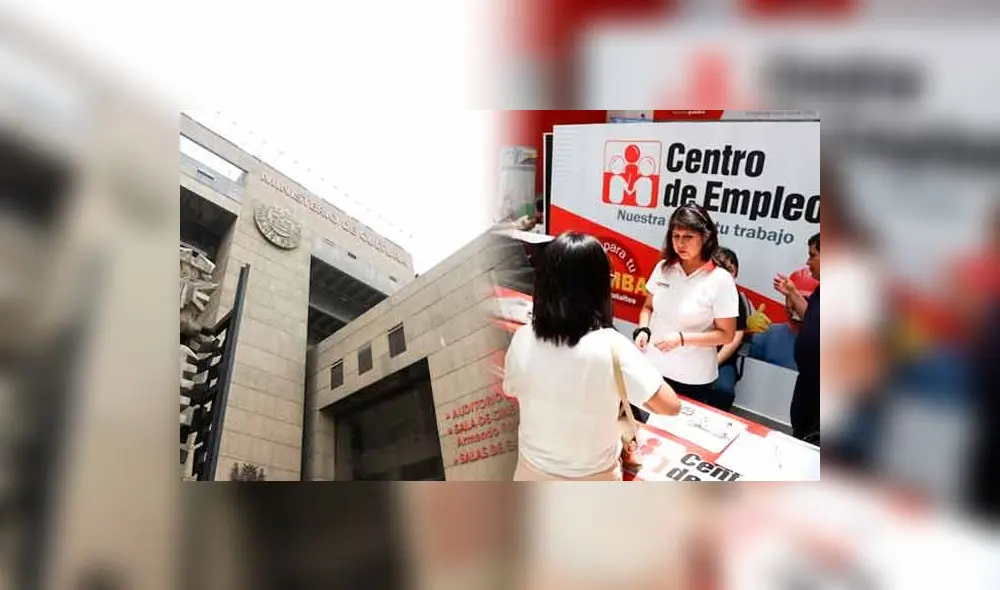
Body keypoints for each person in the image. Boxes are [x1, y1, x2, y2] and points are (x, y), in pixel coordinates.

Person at [503, 231, 681, 481]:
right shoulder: (612, 347)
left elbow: (512, 390)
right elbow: (670, 406)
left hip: (530, 474)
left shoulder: (523, 338)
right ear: (599, 287)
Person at [632, 204, 739, 411]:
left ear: (705, 237)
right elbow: (647, 307)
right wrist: (643, 329)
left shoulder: (720, 279)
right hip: (652, 368)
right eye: (675, 236)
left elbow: (726, 335)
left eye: (688, 237)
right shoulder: (664, 268)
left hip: (692, 377)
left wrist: (682, 339)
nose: (680, 243)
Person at [774, 233, 821, 441]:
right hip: (808, 380)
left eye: (812, 255)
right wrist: (792, 293)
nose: (808, 262)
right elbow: (810, 317)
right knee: (801, 430)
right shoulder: (822, 290)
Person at [712, 247, 748, 410]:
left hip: (721, 360)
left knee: (723, 391)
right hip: (691, 354)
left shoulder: (736, 300)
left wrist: (713, 363)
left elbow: (735, 338)